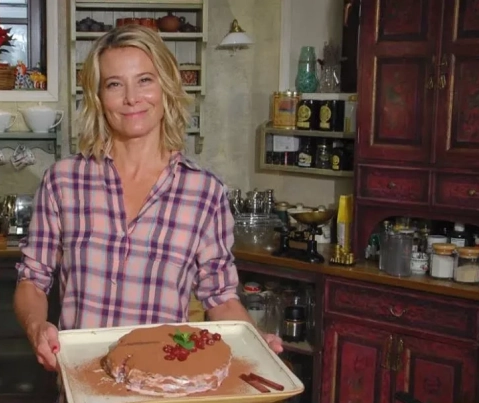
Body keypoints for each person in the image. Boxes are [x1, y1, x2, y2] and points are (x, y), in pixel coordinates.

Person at [14, 24, 283, 372]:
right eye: (114, 84)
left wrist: (254, 341)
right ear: (98, 97)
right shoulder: (63, 181)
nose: (131, 98)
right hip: (82, 380)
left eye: (144, 80)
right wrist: (36, 327)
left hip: (162, 384)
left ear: (166, 87)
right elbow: (32, 280)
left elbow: (220, 297)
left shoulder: (204, 192)